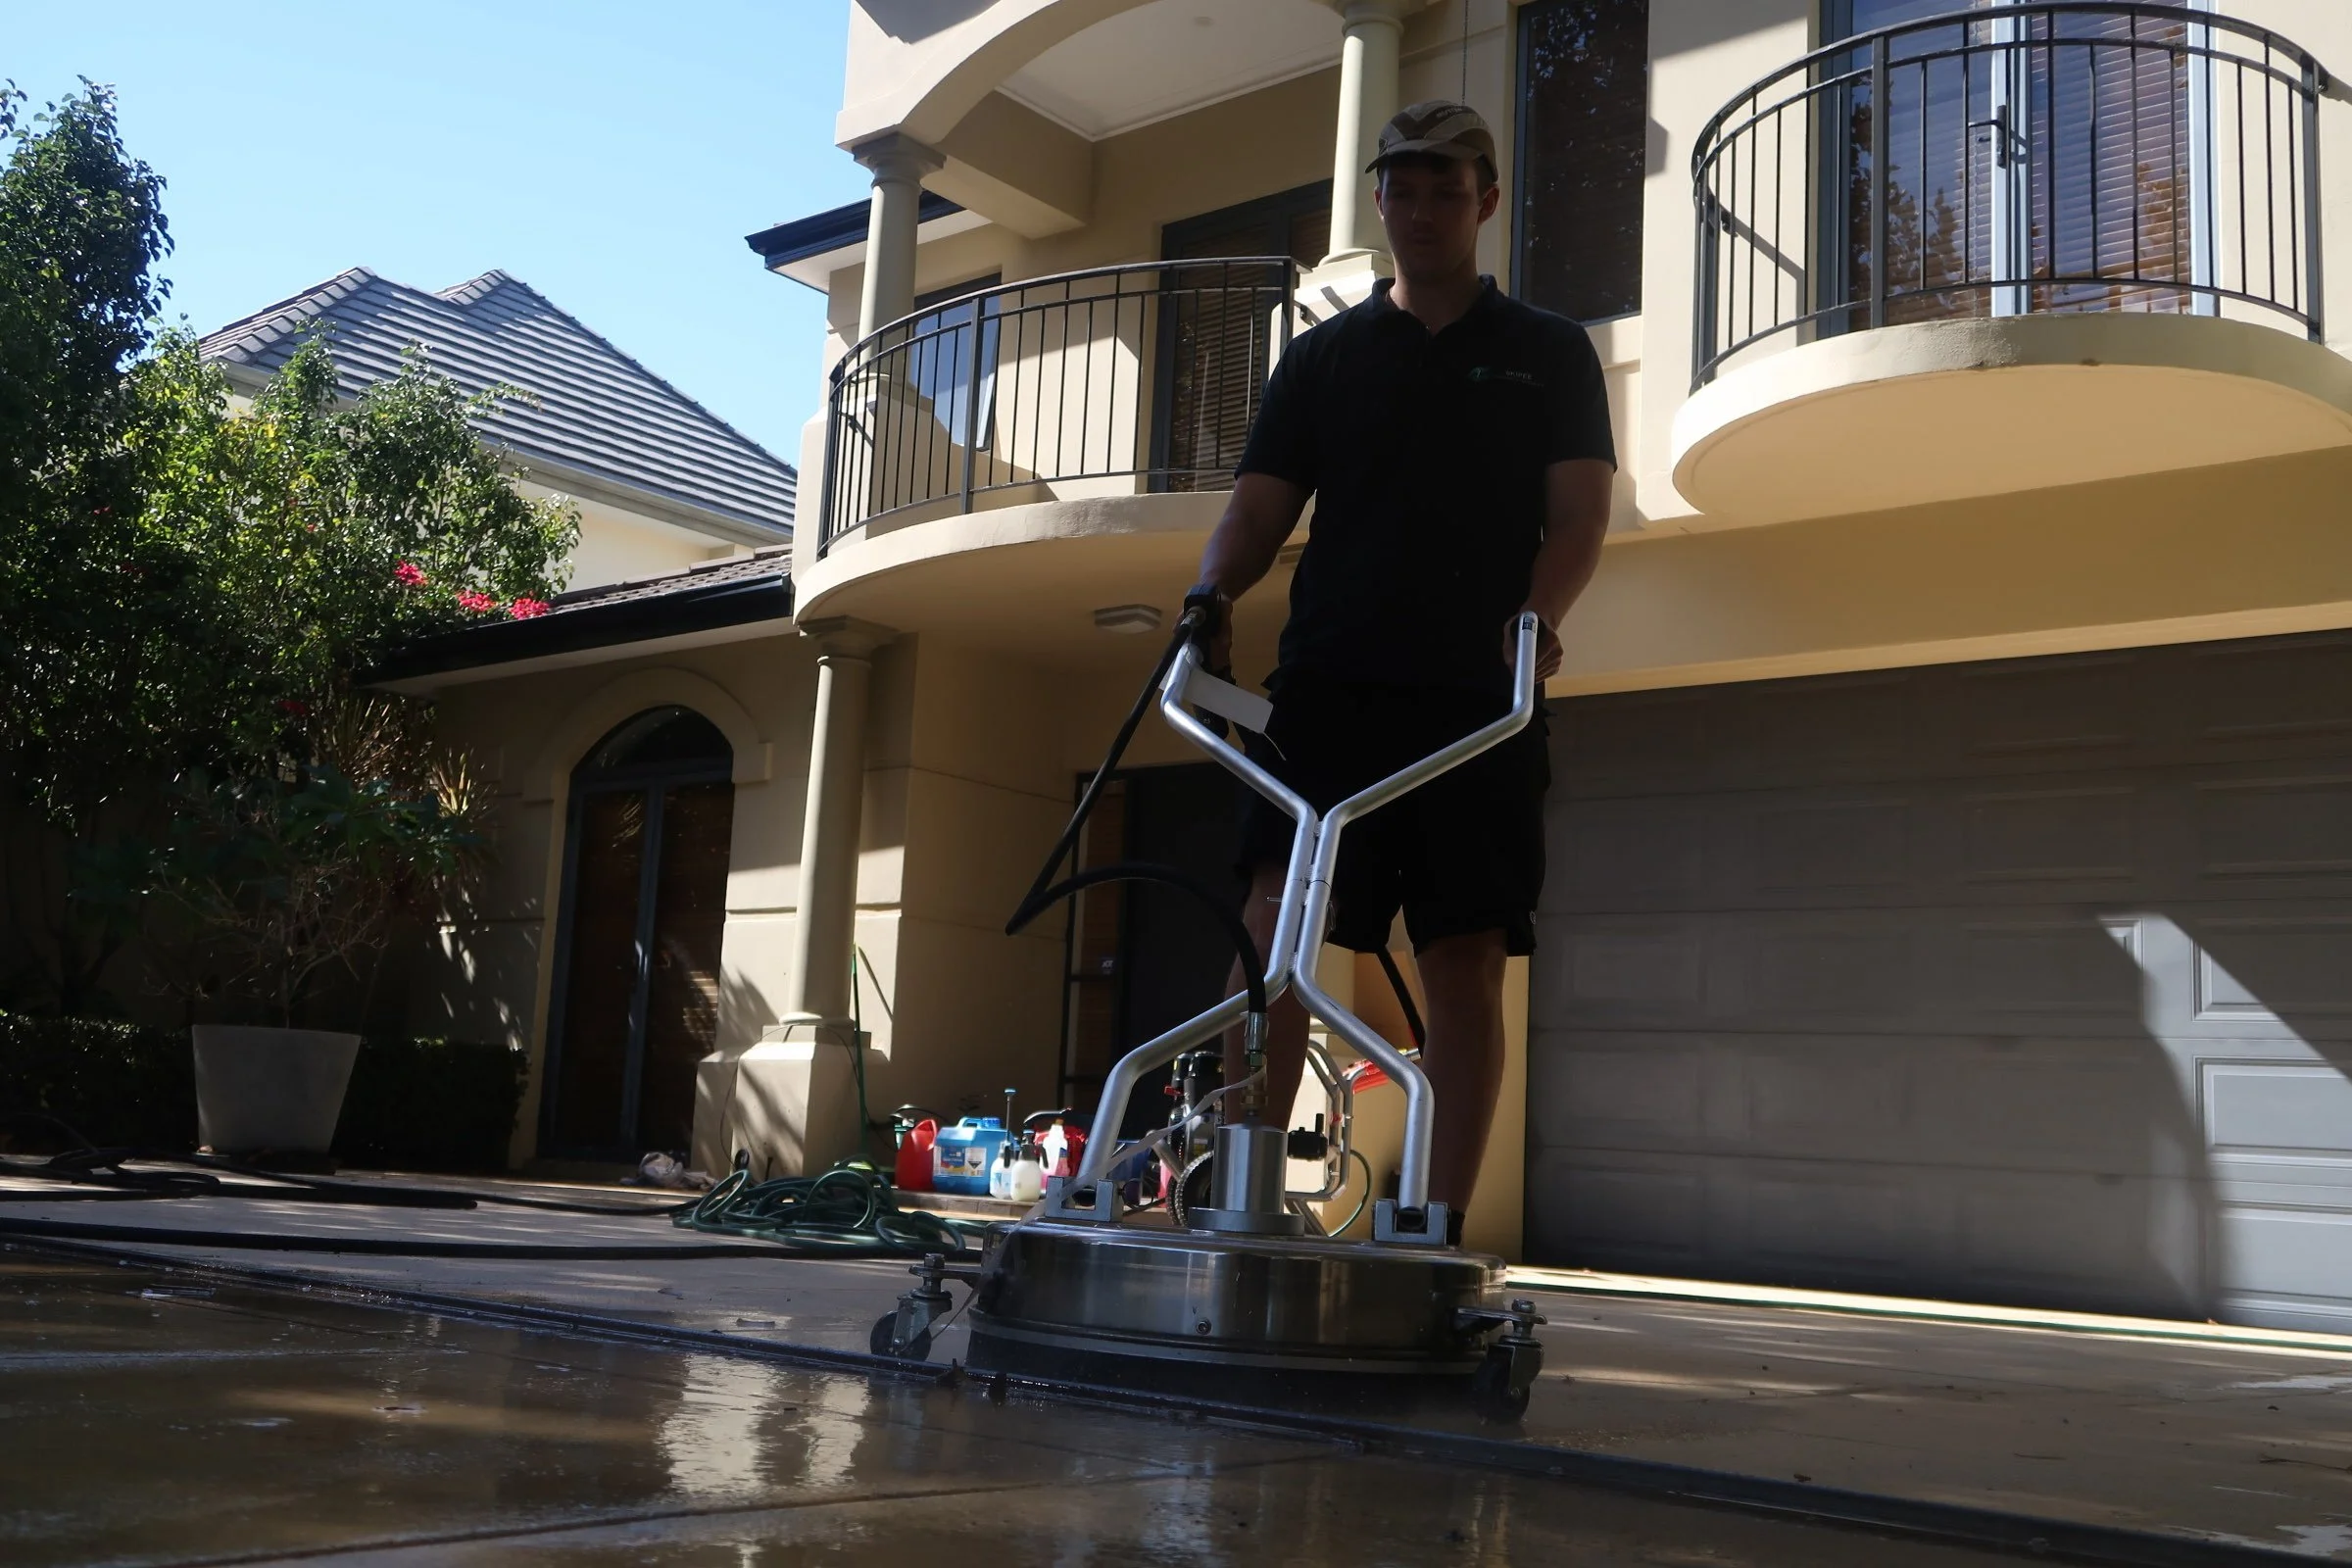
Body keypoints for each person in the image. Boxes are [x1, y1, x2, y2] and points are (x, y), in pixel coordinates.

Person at [1188, 99, 1615, 1221]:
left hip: (1477, 701)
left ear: (1485, 201)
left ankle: (1433, 1226)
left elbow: (1579, 516)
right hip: (1327, 691)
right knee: (1273, 931)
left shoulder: (1547, 352)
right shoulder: (1323, 360)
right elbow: (1257, 509)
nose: (1423, 210)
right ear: (1378, 200)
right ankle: (1241, 1200)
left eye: (1447, 191)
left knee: (1465, 957)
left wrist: (1536, 616)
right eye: (1404, 190)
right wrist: (1209, 593)